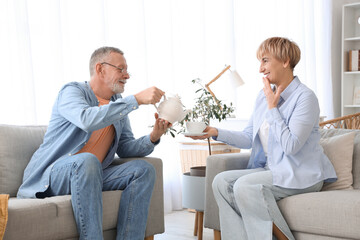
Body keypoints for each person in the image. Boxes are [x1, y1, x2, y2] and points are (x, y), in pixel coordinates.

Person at [187, 37, 337, 240]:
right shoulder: (263, 95)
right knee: (221, 182)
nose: (260, 69)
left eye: (265, 60)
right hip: (272, 170)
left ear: (285, 61)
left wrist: (273, 108)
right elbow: (249, 137)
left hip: (302, 173)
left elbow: (291, 146)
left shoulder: (305, 98)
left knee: (245, 186)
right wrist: (215, 132)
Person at [17, 46, 172, 240]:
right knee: (87, 161)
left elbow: (125, 148)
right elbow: (87, 119)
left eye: (127, 70)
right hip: (54, 174)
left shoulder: (117, 102)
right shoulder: (72, 92)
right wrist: (136, 100)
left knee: (144, 170)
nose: (126, 75)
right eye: (120, 69)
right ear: (100, 69)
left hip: (90, 172)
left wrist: (153, 137)